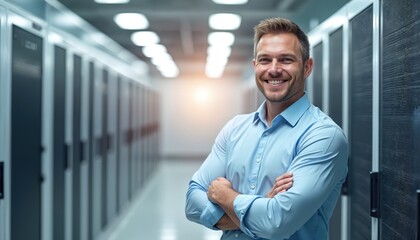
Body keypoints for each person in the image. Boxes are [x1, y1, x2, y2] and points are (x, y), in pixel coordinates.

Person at [185, 17, 348, 240]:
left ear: (307, 67)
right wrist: (262, 206)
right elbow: (192, 203)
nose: (273, 69)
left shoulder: (323, 136)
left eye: (286, 60)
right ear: (255, 66)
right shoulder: (235, 129)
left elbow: (276, 223)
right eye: (265, 60)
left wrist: (225, 196)